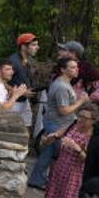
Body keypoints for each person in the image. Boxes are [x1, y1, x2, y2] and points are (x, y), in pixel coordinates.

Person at [29, 57, 90, 190]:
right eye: (72, 67)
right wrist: (81, 101)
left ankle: (38, 180)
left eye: (76, 67)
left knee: (49, 153)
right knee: (54, 153)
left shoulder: (64, 83)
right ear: (63, 69)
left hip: (59, 123)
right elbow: (63, 110)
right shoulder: (62, 86)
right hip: (57, 124)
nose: (76, 69)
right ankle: (40, 181)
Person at [45, 103, 98, 198]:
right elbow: (57, 135)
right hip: (61, 170)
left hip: (75, 176)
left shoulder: (92, 137)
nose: (80, 120)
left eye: (85, 118)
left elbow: (88, 159)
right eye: (79, 116)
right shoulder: (73, 125)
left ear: (93, 121)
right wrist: (51, 137)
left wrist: (76, 148)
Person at [8, 33, 39, 127]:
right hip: (13, 103)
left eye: (37, 45)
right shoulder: (13, 61)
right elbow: (1, 81)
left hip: (24, 102)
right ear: (23, 47)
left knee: (27, 128)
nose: (37, 47)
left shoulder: (29, 61)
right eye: (33, 45)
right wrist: (21, 92)